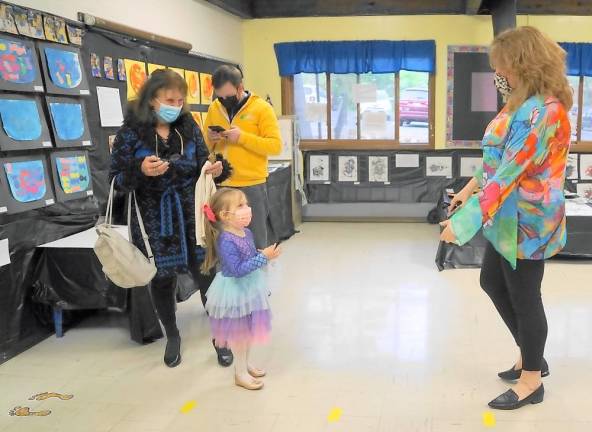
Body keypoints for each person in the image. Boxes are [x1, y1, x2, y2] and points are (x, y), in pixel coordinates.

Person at [440, 26, 572, 410]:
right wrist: (468, 188)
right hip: (505, 216)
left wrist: (462, 225)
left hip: (529, 222)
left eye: (502, 67)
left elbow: (512, 171)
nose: (499, 74)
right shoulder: (519, 103)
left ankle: (532, 379)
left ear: (522, 65)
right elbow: (496, 158)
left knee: (525, 297)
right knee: (491, 281)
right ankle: (533, 354)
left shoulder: (546, 113)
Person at [109, 69, 230, 368]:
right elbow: (115, 180)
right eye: (170, 99)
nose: (176, 105)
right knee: (162, 279)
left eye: (180, 100)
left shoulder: (188, 126)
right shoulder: (130, 133)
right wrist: (141, 170)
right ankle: (172, 335)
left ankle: (221, 338)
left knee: (207, 273)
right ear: (152, 99)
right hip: (153, 219)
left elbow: (205, 163)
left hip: (192, 213)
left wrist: (217, 168)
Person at [201, 188, 281, 390]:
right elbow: (237, 270)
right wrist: (264, 258)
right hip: (234, 291)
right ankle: (239, 373)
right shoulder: (225, 239)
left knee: (248, 330)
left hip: (250, 287)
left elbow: (249, 254)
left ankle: (244, 364)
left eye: (246, 204)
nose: (247, 209)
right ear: (224, 215)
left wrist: (261, 253)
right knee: (239, 335)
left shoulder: (247, 232)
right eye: (240, 206)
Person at [203, 65, 282, 250]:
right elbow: (205, 145)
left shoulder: (261, 108)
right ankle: (227, 277)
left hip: (251, 185)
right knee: (224, 242)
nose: (223, 100)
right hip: (221, 185)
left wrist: (242, 138)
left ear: (240, 88)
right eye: (219, 96)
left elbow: (275, 145)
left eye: (228, 96)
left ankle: (257, 277)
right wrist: (211, 138)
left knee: (255, 240)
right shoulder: (215, 108)